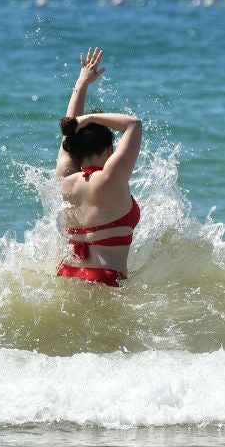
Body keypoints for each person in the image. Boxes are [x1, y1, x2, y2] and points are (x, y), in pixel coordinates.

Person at [55, 47, 142, 287]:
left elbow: (69, 133)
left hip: (67, 275)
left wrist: (81, 83)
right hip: (104, 282)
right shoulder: (111, 178)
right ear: (108, 151)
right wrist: (91, 119)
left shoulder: (66, 177)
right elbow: (133, 124)